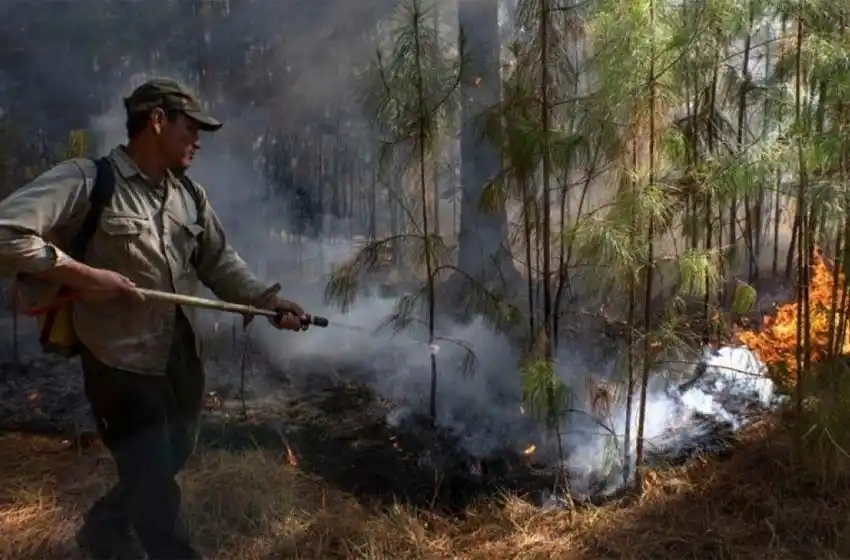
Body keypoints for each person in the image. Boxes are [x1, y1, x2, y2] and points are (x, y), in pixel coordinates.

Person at [0, 77, 308, 559]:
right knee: (152, 482)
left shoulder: (189, 195)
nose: (198, 140)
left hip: (179, 356)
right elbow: (6, 232)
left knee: (174, 453)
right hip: (119, 364)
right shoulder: (89, 180)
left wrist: (267, 300)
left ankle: (103, 527)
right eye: (191, 128)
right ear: (158, 121)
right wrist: (86, 276)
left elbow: (218, 261)